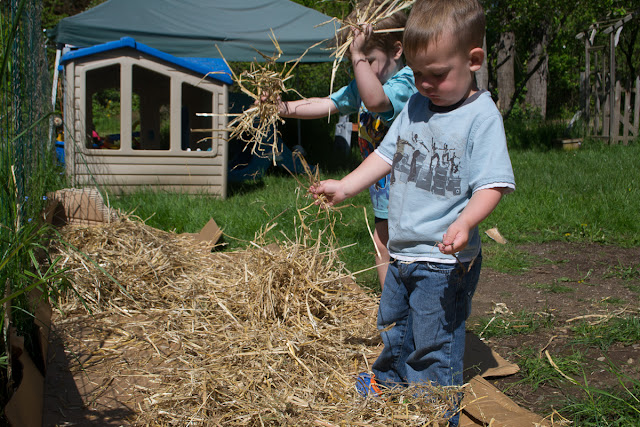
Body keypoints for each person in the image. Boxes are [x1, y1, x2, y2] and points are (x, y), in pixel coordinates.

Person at [311, 0, 515, 425]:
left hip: (444, 259)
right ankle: (389, 381)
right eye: (418, 74)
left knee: (433, 338)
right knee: (394, 324)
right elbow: (385, 155)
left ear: (473, 60)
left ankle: (432, 409)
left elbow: (492, 184)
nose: (424, 84)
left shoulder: (481, 116)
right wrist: (346, 186)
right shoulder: (416, 106)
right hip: (403, 250)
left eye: (436, 74)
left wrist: (466, 221)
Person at [275, 0, 417, 289]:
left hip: (413, 191)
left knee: (412, 252)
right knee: (382, 244)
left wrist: (357, 54)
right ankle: (389, 306)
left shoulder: (406, 83)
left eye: (368, 61)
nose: (360, 71)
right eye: (356, 63)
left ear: (397, 50)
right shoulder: (362, 86)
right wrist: (283, 108)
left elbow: (376, 101)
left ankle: (415, 302)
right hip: (382, 190)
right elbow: (326, 103)